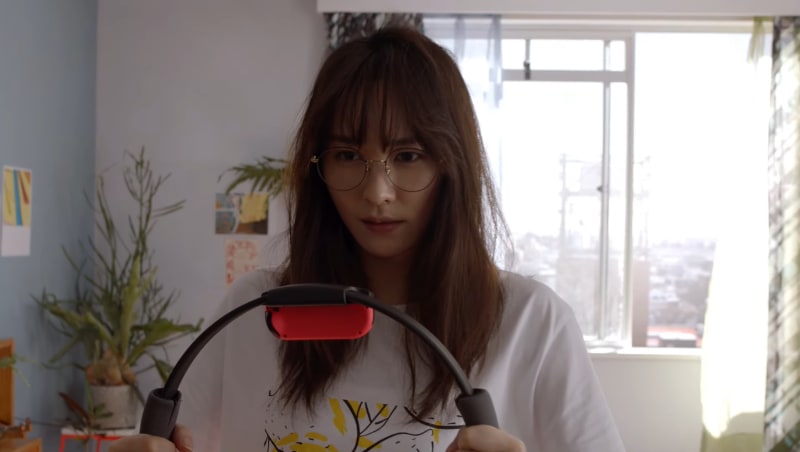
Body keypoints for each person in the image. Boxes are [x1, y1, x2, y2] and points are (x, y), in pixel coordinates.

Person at [110, 26, 626, 452]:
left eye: (408, 156)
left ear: (451, 164)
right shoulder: (255, 312)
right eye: (348, 156)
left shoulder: (530, 322)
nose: (377, 193)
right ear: (319, 168)